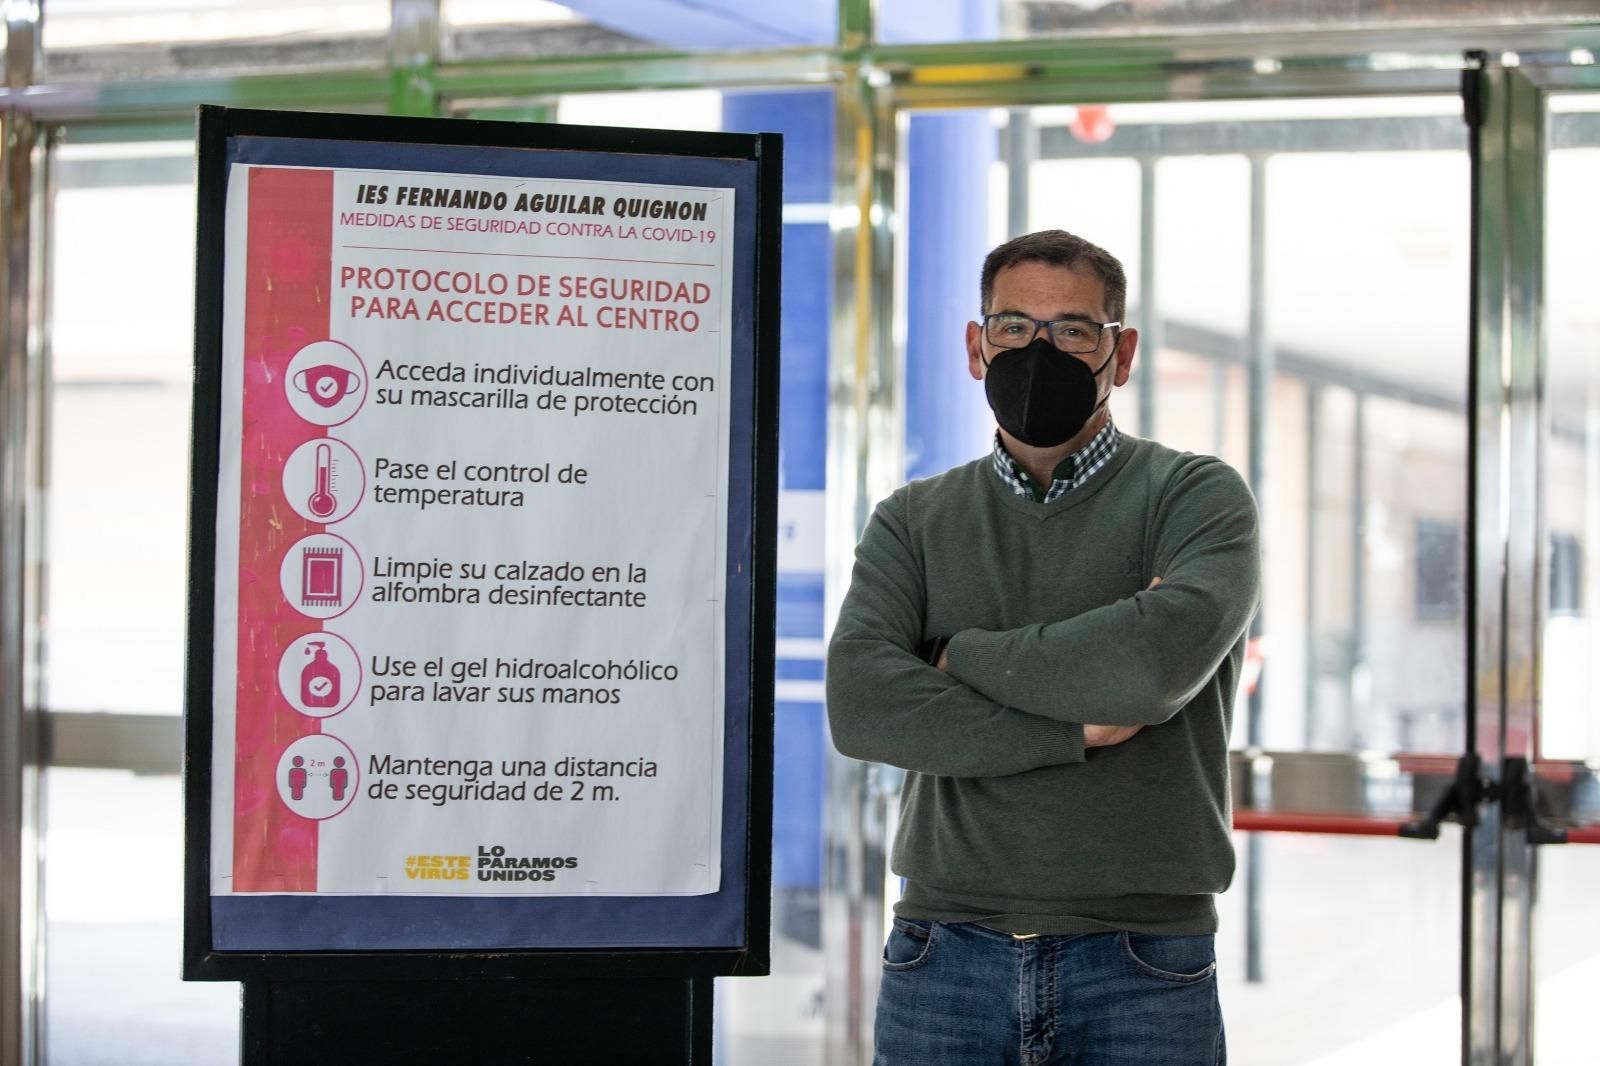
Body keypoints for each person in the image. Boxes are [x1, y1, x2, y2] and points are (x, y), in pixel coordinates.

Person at [825, 229, 1260, 1065]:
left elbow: (1144, 671)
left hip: (1140, 957)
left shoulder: (1196, 498)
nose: (1039, 350)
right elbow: (862, 704)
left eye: (1073, 331)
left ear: (1120, 353)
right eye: (1014, 327)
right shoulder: (913, 520)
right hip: (944, 950)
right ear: (976, 346)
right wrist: (1068, 729)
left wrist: (957, 654)